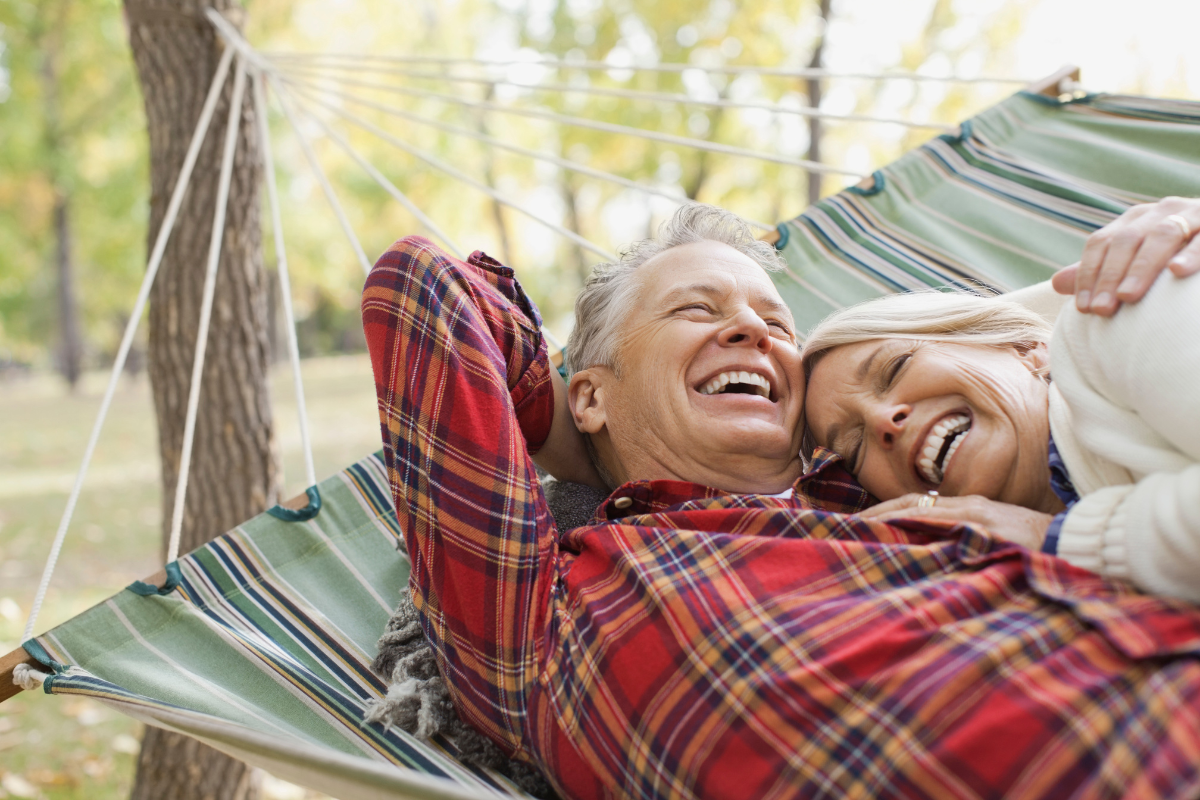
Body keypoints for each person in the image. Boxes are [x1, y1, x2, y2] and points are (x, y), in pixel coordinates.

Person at [363, 202, 1200, 800]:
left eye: (777, 325)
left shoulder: (886, 479)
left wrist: (1168, 231)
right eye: (697, 310)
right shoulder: (538, 612)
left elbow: (996, 358)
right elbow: (419, 291)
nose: (755, 333)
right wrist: (585, 431)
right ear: (588, 397)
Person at [800, 201, 1200, 604]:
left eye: (895, 368)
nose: (883, 420)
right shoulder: (998, 577)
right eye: (855, 448)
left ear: (1027, 348)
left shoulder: (1116, 318)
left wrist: (1060, 537)